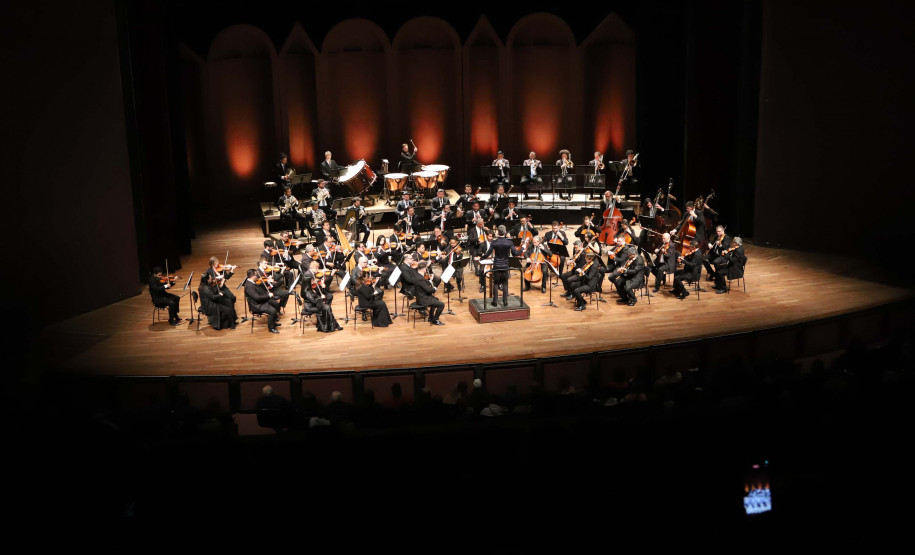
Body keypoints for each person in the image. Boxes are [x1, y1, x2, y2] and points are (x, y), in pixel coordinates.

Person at [483, 225, 522, 307]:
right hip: (505, 265)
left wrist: (481, 257)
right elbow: (516, 254)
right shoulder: (509, 242)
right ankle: (505, 302)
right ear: (505, 232)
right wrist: (523, 248)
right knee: (505, 283)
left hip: (497, 265)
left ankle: (495, 301)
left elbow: (487, 253)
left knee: (496, 283)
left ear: (497, 232)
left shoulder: (494, 242)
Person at [244, 268, 281, 333]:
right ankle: (271, 328)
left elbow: (259, 292)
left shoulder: (252, 282)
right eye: (256, 275)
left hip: (261, 301)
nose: (258, 276)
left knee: (275, 304)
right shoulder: (249, 286)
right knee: (273, 311)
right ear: (252, 276)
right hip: (257, 305)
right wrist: (268, 296)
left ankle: (272, 322)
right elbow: (257, 298)